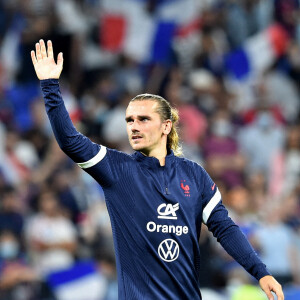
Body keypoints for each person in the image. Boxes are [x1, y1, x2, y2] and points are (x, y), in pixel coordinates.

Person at [31, 39, 284, 300]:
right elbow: (69, 140)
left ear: (166, 126)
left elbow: (225, 228)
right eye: (130, 120)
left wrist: (260, 272)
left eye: (143, 119)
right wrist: (50, 85)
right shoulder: (118, 169)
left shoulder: (194, 175)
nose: (134, 126)